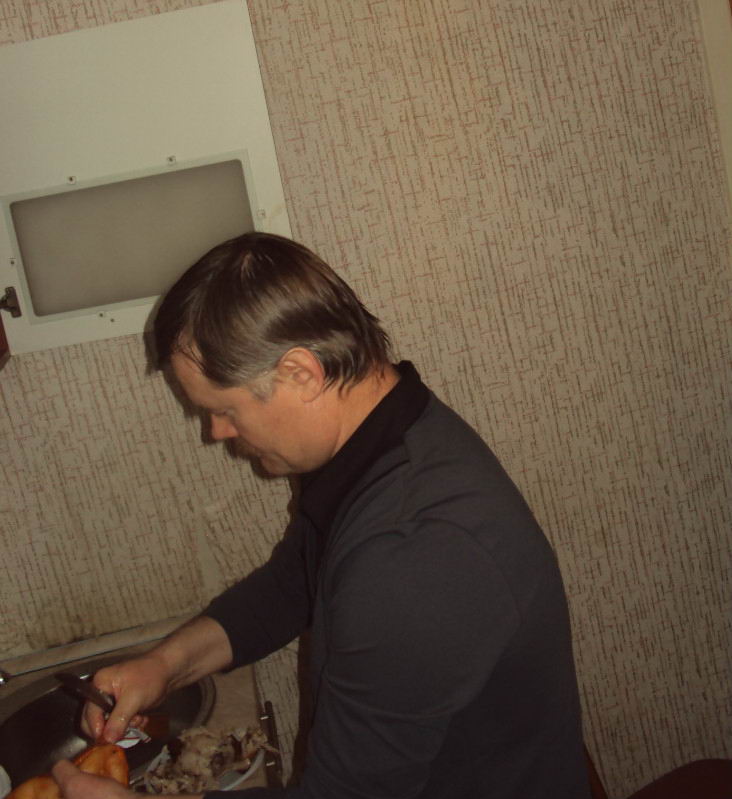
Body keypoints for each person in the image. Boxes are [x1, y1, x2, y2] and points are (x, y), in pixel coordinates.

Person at [52, 232, 591, 799]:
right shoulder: (379, 442)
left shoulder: (417, 550)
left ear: (301, 375)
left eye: (224, 410)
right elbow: (297, 582)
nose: (216, 433)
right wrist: (166, 665)